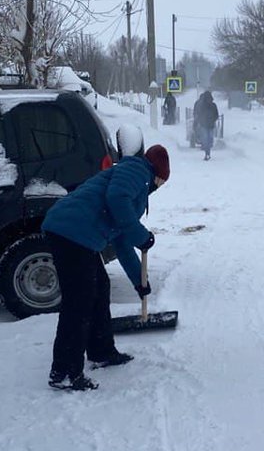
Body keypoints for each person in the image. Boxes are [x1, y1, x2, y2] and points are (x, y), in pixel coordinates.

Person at [42, 144, 170, 391]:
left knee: (100, 288)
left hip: (77, 235)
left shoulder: (135, 184)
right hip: (71, 232)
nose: (160, 187)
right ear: (158, 173)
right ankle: (64, 372)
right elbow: (116, 198)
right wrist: (140, 234)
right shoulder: (136, 169)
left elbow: (121, 241)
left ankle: (101, 351)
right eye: (162, 182)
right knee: (79, 301)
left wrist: (139, 281)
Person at [192, 90, 219, 160]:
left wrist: (200, 121)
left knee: (206, 139)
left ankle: (207, 152)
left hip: (204, 125)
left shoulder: (202, 105)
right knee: (209, 139)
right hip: (210, 125)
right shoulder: (213, 105)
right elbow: (216, 115)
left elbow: (198, 114)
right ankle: (207, 152)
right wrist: (213, 120)